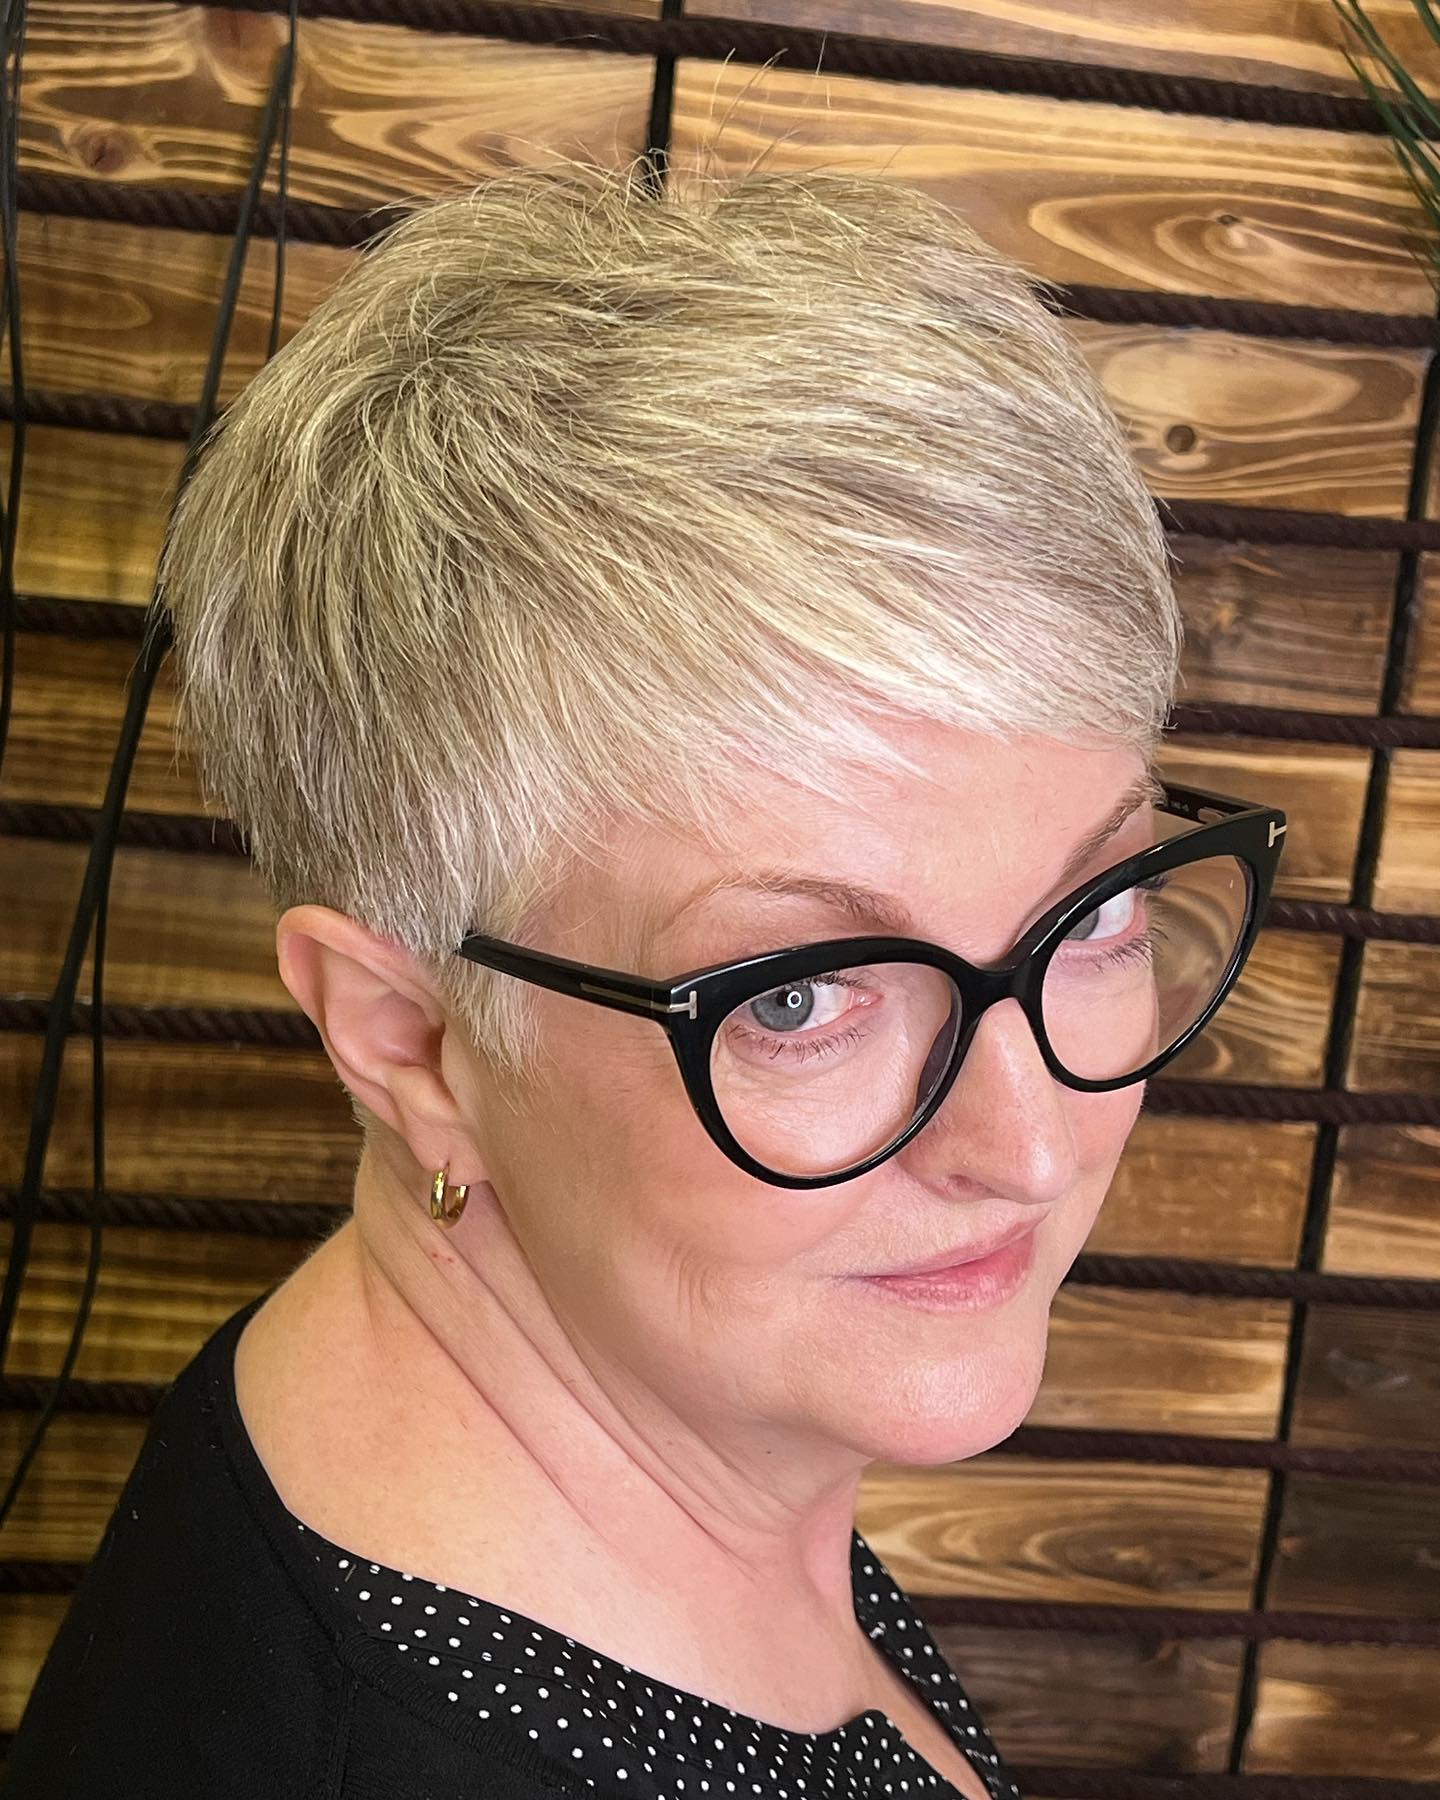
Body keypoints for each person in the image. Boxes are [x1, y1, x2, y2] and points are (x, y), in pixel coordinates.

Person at [4, 152, 1283, 1799]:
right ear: (409, 1043)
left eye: (1094, 911)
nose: (1029, 1147)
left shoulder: (574, 1423)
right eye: (799, 996)